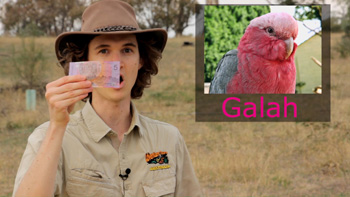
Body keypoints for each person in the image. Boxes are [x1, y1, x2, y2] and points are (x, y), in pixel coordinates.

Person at [13, 0, 201, 196]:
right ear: (84, 63)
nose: (116, 62)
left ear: (141, 60)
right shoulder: (47, 137)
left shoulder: (169, 139)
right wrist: (57, 126)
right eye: (103, 51)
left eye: (127, 50)